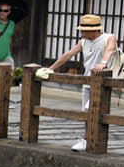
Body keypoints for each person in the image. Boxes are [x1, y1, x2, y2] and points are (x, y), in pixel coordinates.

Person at [48, 13, 119, 152]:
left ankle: (90, 140)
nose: (82, 32)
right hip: (87, 81)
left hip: (103, 82)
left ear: (96, 30)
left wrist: (103, 63)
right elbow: (69, 54)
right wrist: (50, 68)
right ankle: (89, 139)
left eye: (84, 30)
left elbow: (110, 50)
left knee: (91, 110)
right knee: (87, 113)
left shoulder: (108, 37)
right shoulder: (83, 41)